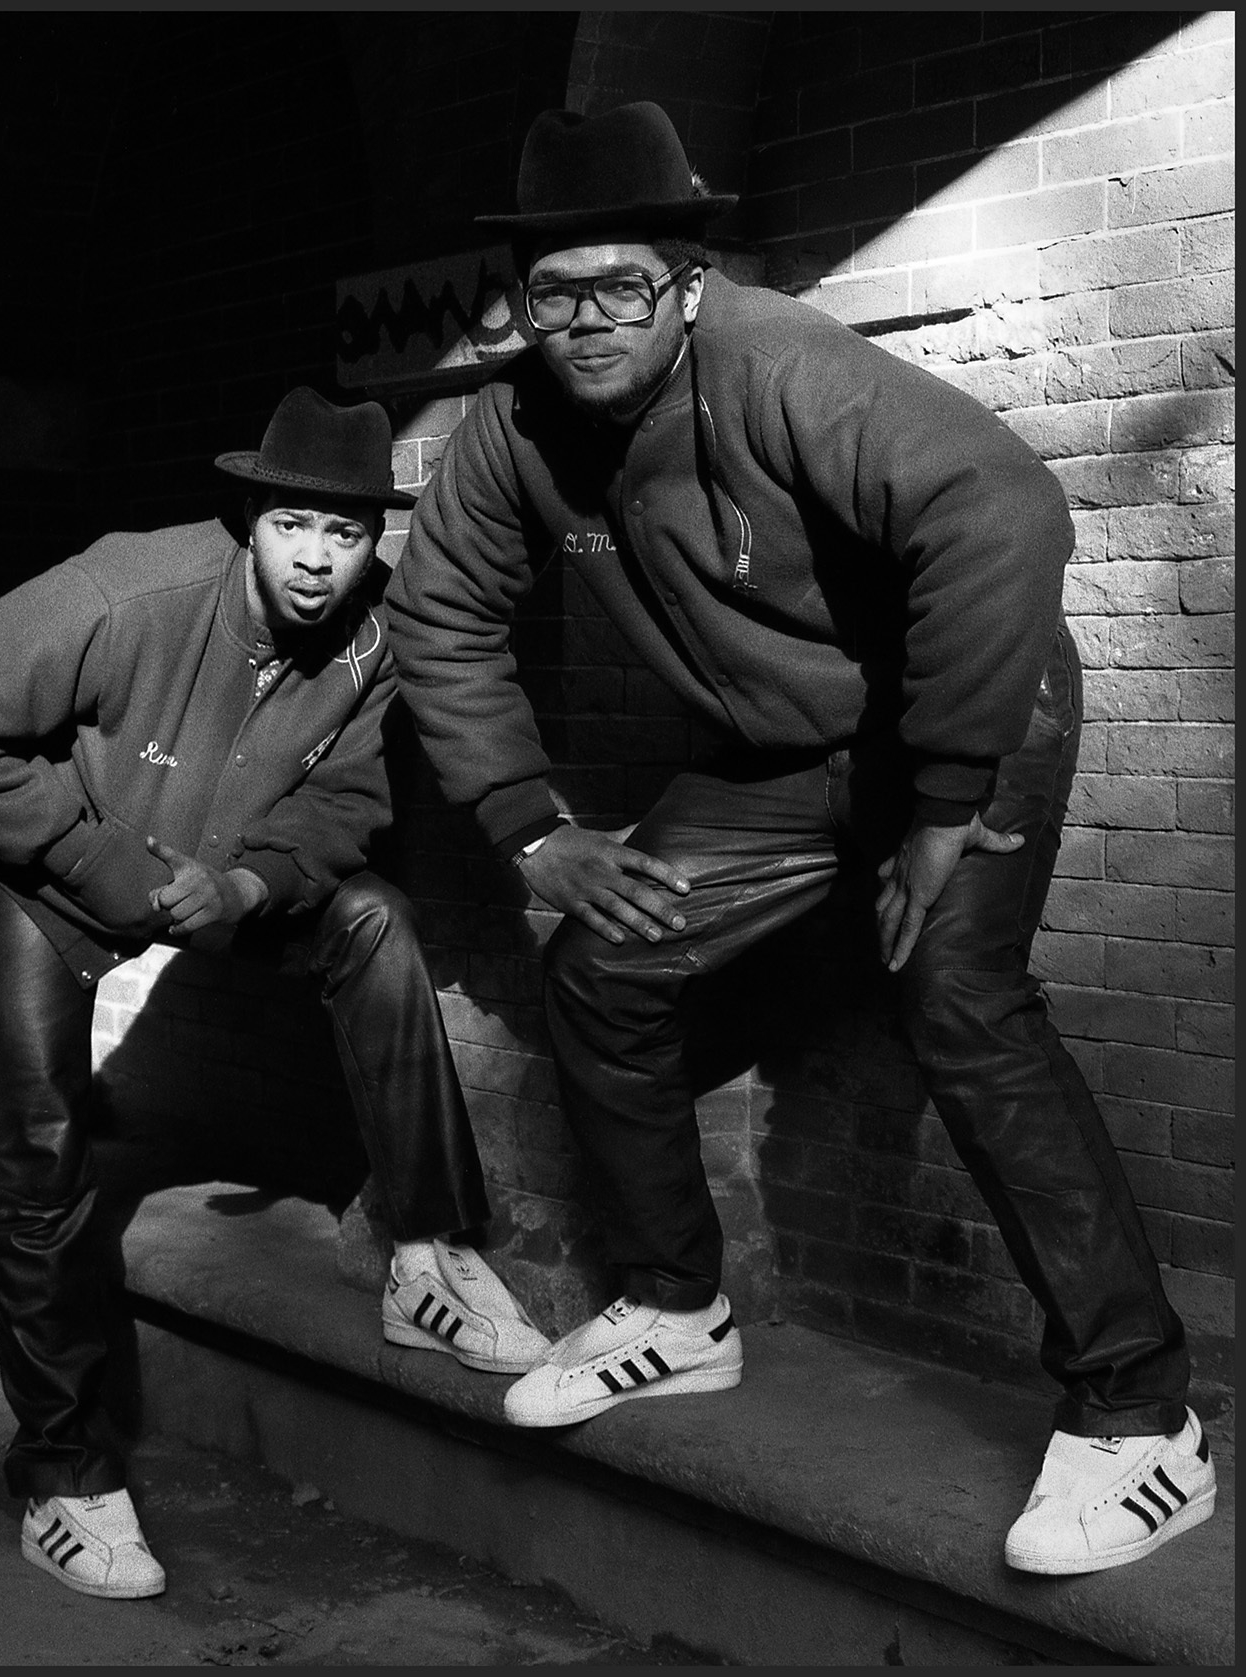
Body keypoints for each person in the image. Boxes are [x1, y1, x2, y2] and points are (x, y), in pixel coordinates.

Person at [383, 102, 1214, 1576]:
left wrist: (947, 804)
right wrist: (528, 832)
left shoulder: (776, 366)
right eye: (552, 293)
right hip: (783, 753)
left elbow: (999, 509)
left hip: (968, 708)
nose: (584, 323)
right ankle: (675, 1307)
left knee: (960, 1001)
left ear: (688, 282)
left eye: (620, 285)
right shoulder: (512, 430)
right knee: (605, 968)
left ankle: (1143, 1416)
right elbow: (440, 617)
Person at [0, 386, 548, 1601]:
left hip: (213, 873)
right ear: (249, 519)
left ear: (373, 544)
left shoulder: (369, 641)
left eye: (346, 533)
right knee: (45, 1151)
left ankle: (426, 1253)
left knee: (374, 924)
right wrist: (107, 867)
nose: (317, 558)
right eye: (294, 525)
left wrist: (250, 890)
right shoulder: (121, 591)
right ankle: (61, 1477)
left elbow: (344, 805)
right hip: (46, 876)